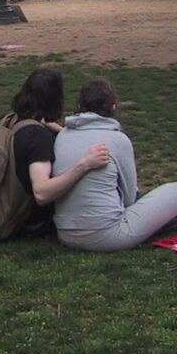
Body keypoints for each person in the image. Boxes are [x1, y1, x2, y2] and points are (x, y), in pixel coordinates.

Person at [53, 78, 177, 252]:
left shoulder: (63, 135)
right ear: (114, 107)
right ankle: (162, 223)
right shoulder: (118, 140)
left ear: (79, 105)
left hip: (65, 233)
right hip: (106, 237)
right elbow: (129, 198)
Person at [11, 68, 110, 236]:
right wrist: (85, 164)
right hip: (30, 222)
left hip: (8, 207)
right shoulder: (38, 137)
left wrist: (61, 131)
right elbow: (41, 193)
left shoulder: (12, 121)